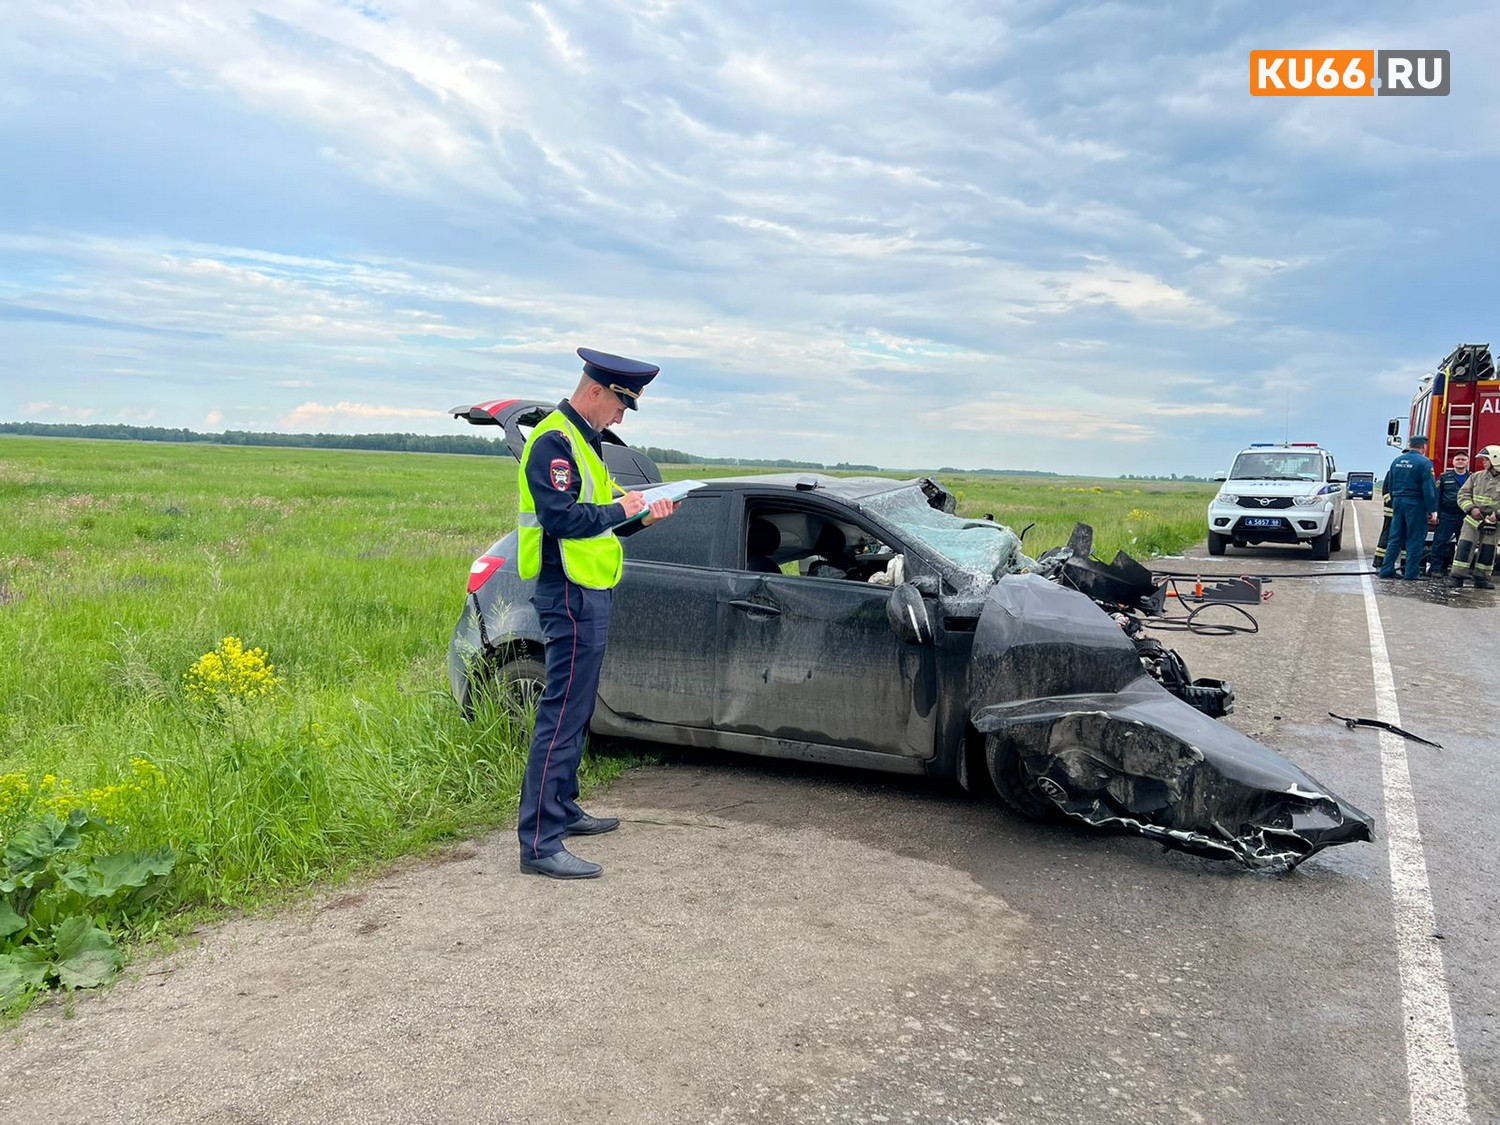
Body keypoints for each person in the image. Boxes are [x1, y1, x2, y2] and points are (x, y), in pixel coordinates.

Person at [514, 347, 677, 879]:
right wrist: (619, 509)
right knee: (561, 712)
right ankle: (539, 841)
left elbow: (607, 517)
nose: (621, 418)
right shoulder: (554, 441)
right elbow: (562, 517)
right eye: (620, 407)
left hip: (590, 587)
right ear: (595, 392)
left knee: (577, 708)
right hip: (567, 589)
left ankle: (563, 807)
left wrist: (644, 516)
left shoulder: (586, 443)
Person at [1377, 435, 1437, 582]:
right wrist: (1432, 510)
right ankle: (1411, 573)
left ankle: (1386, 570)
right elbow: (1428, 489)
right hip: (1415, 504)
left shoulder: (1396, 461)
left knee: (1395, 537)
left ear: (1410, 445)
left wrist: (1395, 499)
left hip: (1398, 502)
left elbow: (1390, 485)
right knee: (1415, 538)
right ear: (1424, 447)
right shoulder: (1425, 463)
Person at [1450, 445, 1500, 589]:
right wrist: (1471, 509)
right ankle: (1457, 577)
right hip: (1472, 521)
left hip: (1494, 522)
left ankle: (1481, 578)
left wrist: (1496, 515)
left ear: (1495, 460)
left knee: (1488, 550)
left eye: (1486, 460)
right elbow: (1463, 494)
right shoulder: (1476, 476)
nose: (1483, 463)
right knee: (1464, 547)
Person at [1426, 452, 1470, 576]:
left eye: (1463, 459)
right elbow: (1437, 497)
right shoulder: (1445, 477)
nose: (1460, 461)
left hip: (1465, 516)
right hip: (1447, 515)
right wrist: (1436, 514)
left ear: (1467, 461)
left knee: (1464, 545)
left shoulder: (1472, 478)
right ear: (1453, 462)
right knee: (1439, 543)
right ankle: (1435, 569)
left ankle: (1461, 572)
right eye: (1458, 459)